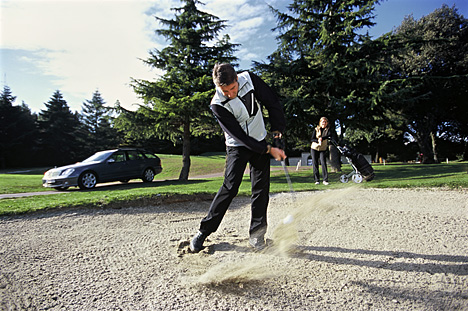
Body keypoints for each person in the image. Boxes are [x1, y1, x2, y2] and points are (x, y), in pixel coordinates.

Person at [189, 63, 286, 253]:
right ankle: (204, 231)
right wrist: (268, 150)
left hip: (259, 138)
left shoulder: (249, 79)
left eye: (232, 88)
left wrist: (277, 133)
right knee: (230, 187)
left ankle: (257, 236)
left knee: (260, 189)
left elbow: (272, 102)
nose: (229, 94)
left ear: (237, 80)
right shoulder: (217, 105)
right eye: (224, 90)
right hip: (237, 146)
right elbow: (240, 137)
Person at [310, 117, 337, 185]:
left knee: (323, 163)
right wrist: (317, 140)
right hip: (314, 148)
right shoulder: (316, 129)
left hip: (323, 149)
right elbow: (312, 139)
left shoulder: (328, 130)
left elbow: (329, 136)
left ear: (327, 123)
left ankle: (325, 180)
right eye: (322, 122)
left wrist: (322, 138)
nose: (324, 123)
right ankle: (317, 180)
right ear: (320, 122)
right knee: (315, 163)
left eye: (325, 122)